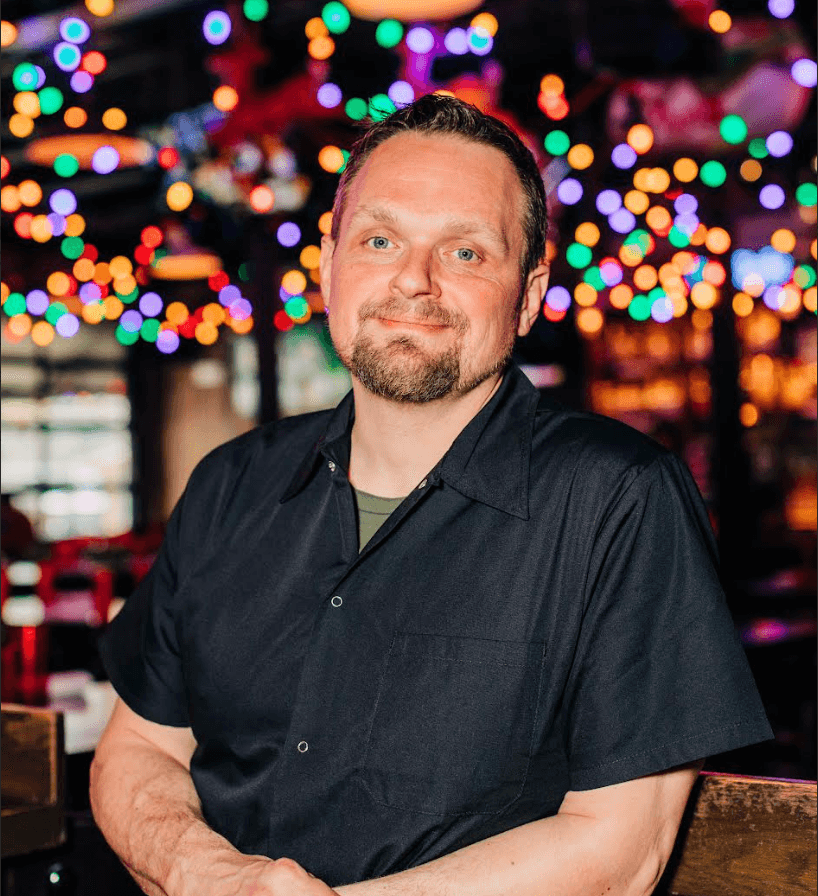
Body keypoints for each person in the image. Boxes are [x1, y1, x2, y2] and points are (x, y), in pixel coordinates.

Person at [90, 94, 772, 896]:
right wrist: (207, 877)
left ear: (528, 293)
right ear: (329, 263)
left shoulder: (619, 498)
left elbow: (621, 852)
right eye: (380, 240)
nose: (413, 280)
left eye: (467, 253)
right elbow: (139, 748)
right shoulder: (229, 484)